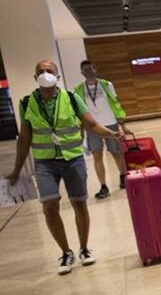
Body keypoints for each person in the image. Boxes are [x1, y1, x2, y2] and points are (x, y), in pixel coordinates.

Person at [4, 59, 122, 274]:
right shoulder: (26, 103)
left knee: (79, 204)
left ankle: (84, 249)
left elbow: (92, 124)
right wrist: (17, 169)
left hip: (73, 159)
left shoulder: (71, 98)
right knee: (49, 207)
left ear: (57, 76)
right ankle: (66, 252)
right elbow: (24, 139)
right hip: (45, 163)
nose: (45, 73)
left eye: (49, 70)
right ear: (35, 77)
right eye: (40, 71)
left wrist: (113, 133)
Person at [74, 59, 128, 199]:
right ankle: (103, 186)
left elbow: (115, 104)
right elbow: (79, 113)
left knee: (116, 152)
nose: (88, 71)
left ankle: (123, 176)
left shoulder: (106, 85)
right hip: (92, 127)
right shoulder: (78, 90)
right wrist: (80, 131)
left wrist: (122, 125)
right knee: (97, 155)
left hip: (110, 124)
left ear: (95, 69)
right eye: (84, 69)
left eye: (90, 68)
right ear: (81, 72)